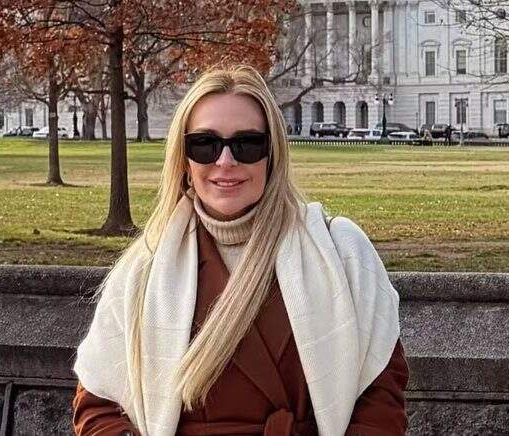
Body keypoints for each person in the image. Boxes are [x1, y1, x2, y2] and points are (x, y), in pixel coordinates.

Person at [72, 65, 408, 436]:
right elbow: (98, 406)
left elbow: (380, 395)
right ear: (184, 160)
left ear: (272, 154)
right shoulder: (143, 267)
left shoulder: (340, 250)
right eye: (205, 144)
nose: (225, 161)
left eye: (247, 144)